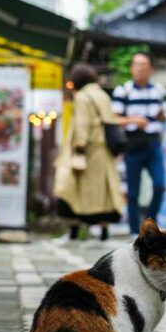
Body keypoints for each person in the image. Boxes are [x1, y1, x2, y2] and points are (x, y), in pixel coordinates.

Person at [53, 62, 123, 241]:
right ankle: (104, 231)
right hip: (103, 151)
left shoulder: (82, 97)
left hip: (88, 152)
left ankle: (74, 231)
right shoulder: (102, 94)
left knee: (72, 189)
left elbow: (82, 124)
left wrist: (79, 147)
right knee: (103, 194)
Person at [111, 51, 166, 236]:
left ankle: (150, 224)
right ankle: (134, 230)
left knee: (160, 184)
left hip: (153, 143)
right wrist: (134, 121)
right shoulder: (123, 90)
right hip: (132, 143)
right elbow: (114, 119)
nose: (140, 69)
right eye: (137, 65)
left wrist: (162, 116)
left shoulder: (159, 90)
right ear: (131, 68)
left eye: (144, 66)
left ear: (150, 69)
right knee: (133, 191)